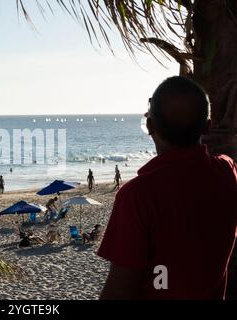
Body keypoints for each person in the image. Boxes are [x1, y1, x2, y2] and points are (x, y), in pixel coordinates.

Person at [98, 76, 237, 300]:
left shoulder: (138, 196)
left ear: (150, 126)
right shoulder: (226, 172)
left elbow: (118, 290)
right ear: (207, 126)